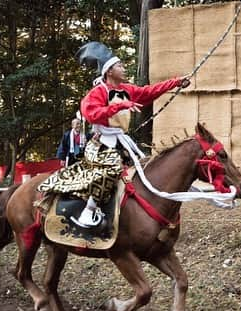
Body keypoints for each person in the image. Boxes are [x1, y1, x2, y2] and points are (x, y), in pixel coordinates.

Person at [37, 41, 190, 228]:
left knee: (147, 169)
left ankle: (130, 213)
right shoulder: (98, 92)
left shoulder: (127, 89)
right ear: (109, 71)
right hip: (102, 143)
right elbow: (91, 113)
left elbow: (149, 91)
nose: (123, 68)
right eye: (119, 66)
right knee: (110, 170)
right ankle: (88, 211)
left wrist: (176, 82)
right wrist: (120, 105)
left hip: (122, 142)